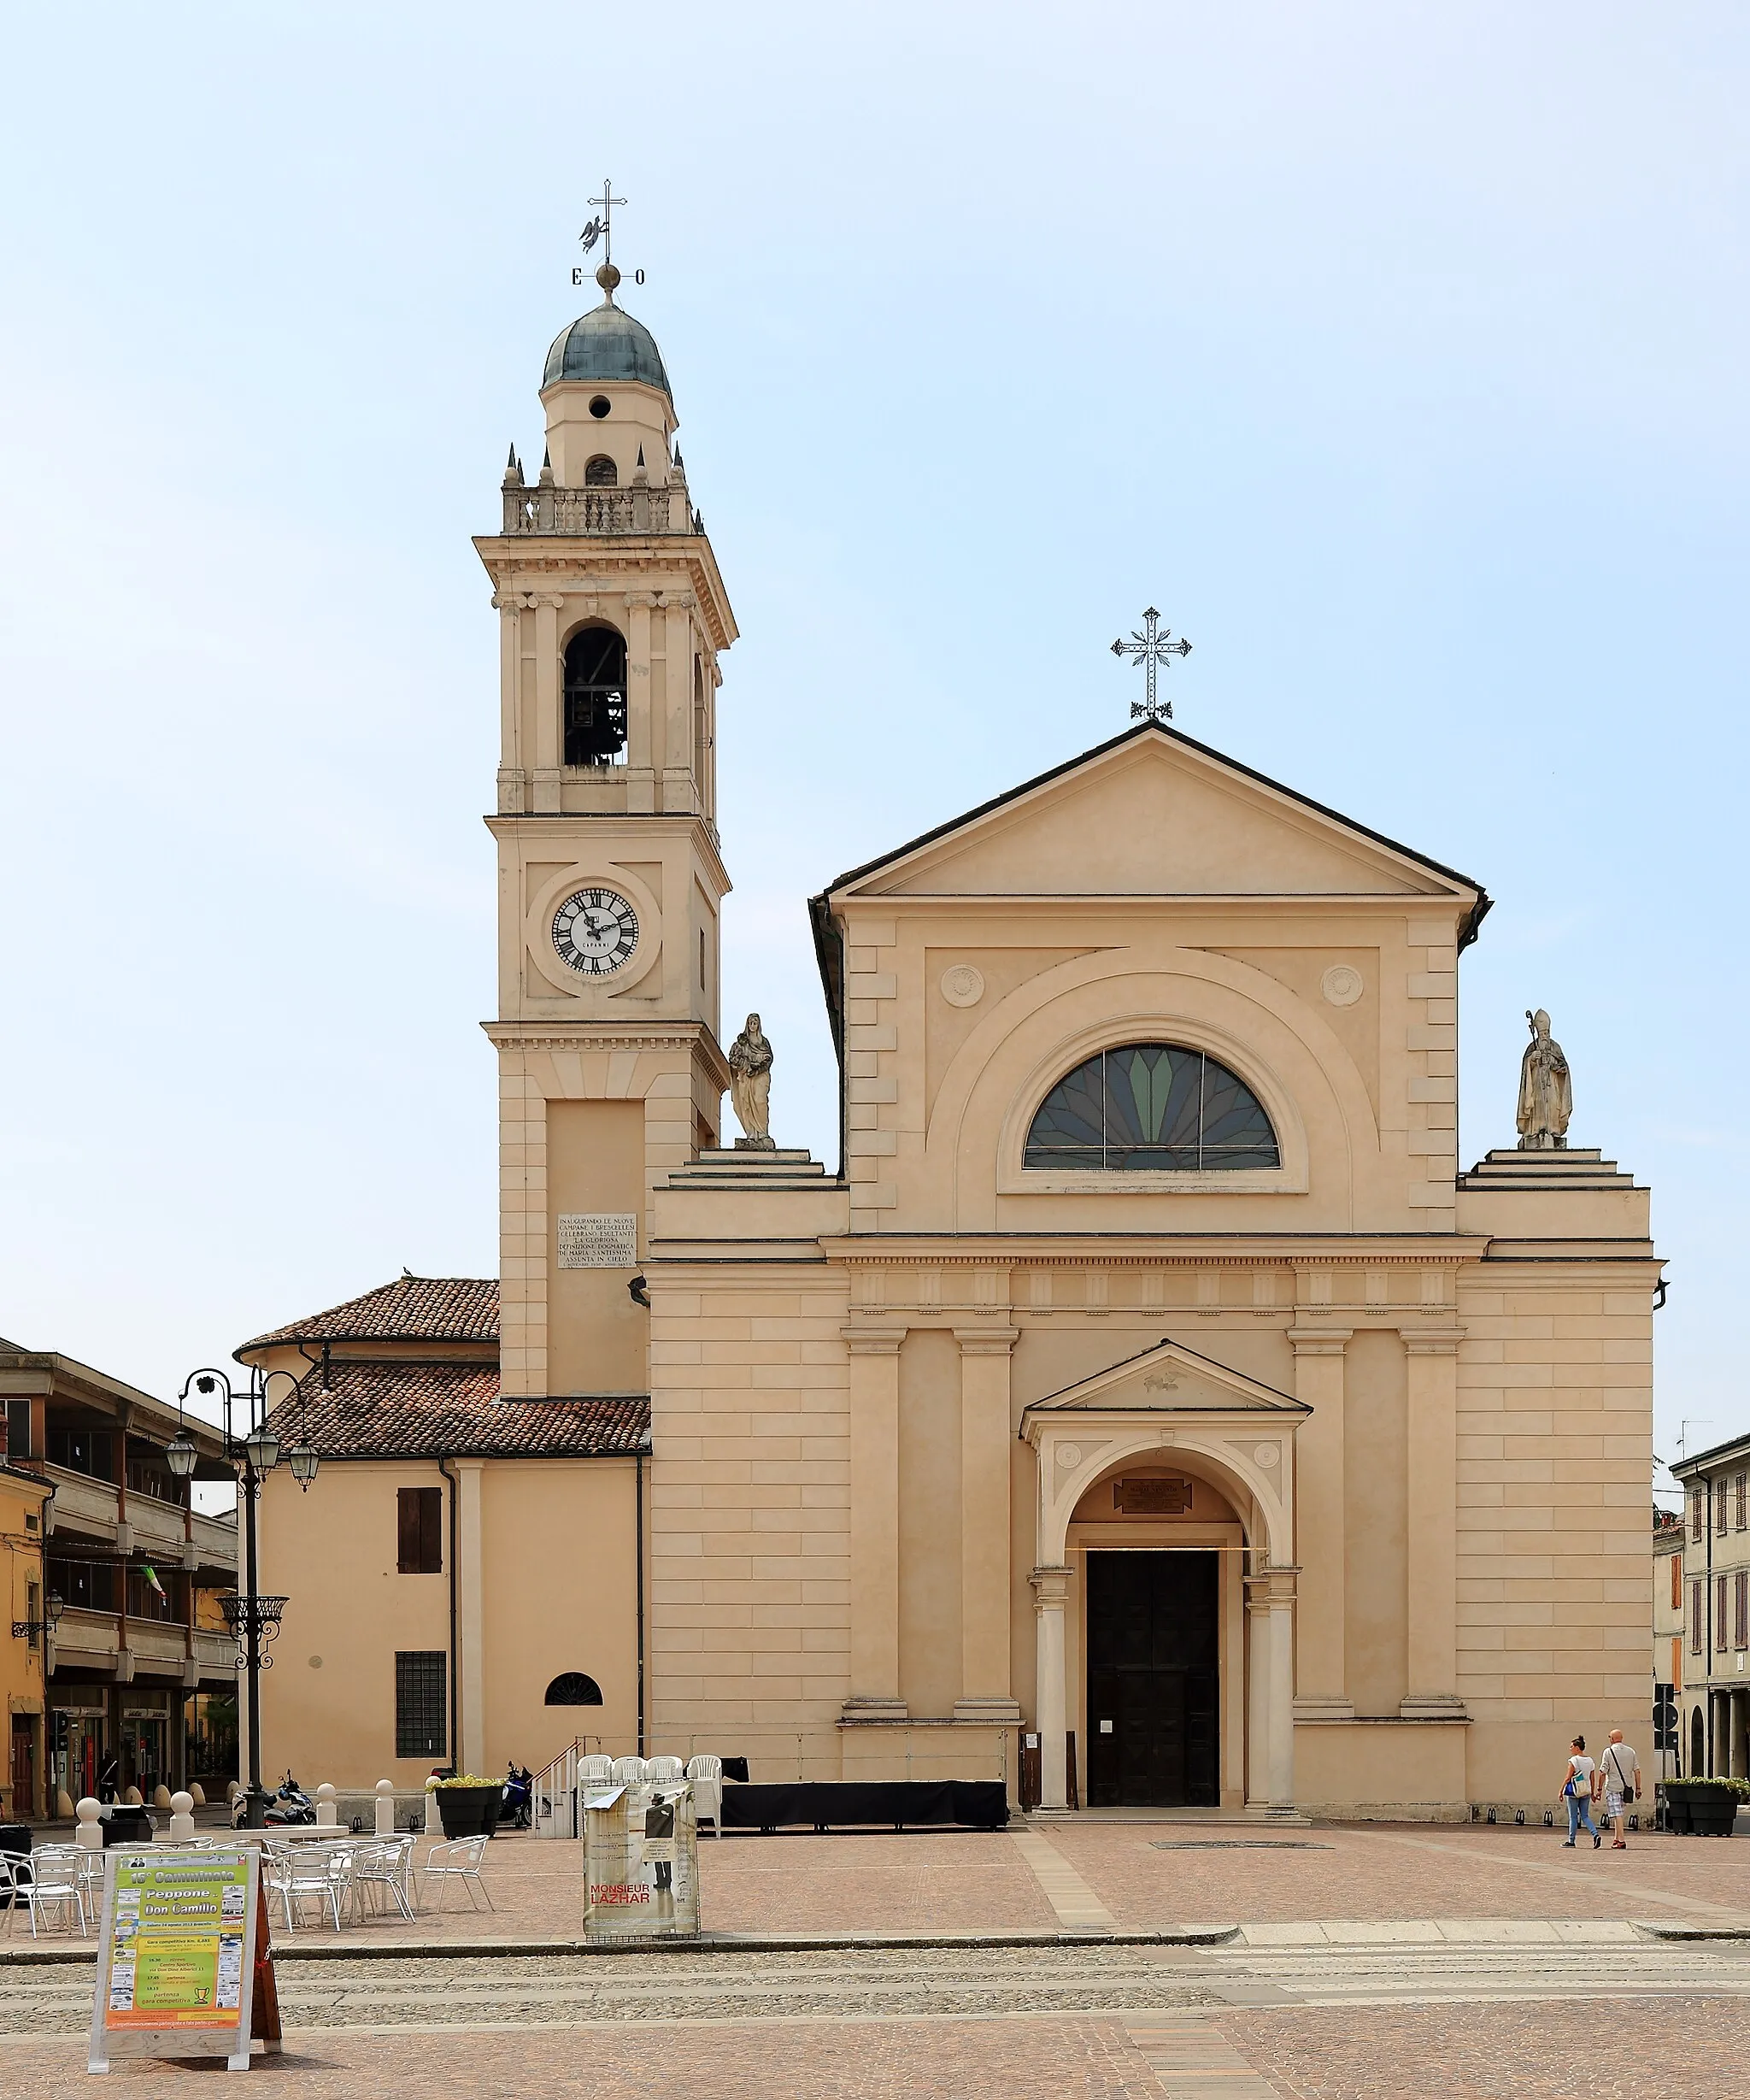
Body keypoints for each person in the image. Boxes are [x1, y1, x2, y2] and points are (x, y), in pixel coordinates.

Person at [1595, 1729, 1641, 1851]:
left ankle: (1621, 1841)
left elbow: (1602, 1772)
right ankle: (1616, 1838)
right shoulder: (1631, 1751)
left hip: (1613, 1786)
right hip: (1627, 1787)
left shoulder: (1608, 1751)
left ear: (1612, 1739)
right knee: (1619, 1812)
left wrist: (1599, 1789)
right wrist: (1638, 1788)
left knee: (1617, 1814)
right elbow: (1637, 1771)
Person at [1560, 1735, 1600, 1847]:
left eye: (1572, 1746)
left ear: (1577, 1748)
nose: (1570, 1748)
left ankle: (1571, 1840)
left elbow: (1568, 1777)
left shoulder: (1574, 1760)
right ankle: (1595, 1834)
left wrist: (1561, 1790)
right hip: (1586, 1790)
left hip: (1574, 1790)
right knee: (1585, 1815)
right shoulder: (1590, 1760)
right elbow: (1592, 1777)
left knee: (1573, 1816)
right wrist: (1592, 1792)